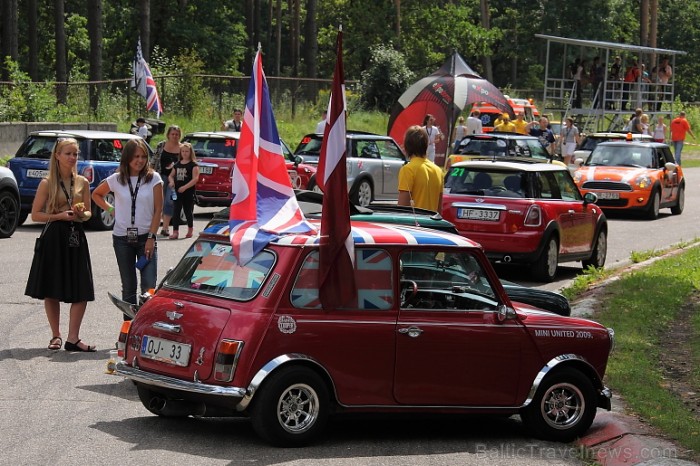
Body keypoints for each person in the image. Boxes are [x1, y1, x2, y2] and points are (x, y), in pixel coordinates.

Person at [25, 138, 95, 352]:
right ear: (57, 155)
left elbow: (89, 213)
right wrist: (59, 216)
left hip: (76, 235)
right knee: (52, 288)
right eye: (68, 153)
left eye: (75, 154)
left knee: (82, 289)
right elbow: (36, 215)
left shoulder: (82, 181)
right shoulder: (47, 182)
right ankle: (56, 335)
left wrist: (82, 213)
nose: (73, 158)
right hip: (55, 235)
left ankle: (73, 339)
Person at [92, 139, 163, 320]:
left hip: (145, 238)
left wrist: (151, 237)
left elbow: (158, 210)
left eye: (143, 157)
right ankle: (128, 329)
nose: (139, 160)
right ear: (127, 158)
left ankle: (145, 326)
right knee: (129, 286)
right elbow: (96, 194)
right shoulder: (116, 179)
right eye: (135, 157)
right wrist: (111, 210)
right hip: (122, 239)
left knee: (148, 286)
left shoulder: (154, 178)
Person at [397, 125, 443, 212]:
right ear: (426, 145)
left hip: (414, 223)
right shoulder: (438, 171)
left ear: (407, 146)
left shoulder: (408, 169)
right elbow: (439, 209)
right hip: (432, 224)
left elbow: (402, 208)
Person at [150, 124, 181, 237]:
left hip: (175, 180)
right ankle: (153, 226)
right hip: (160, 177)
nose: (174, 136)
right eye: (172, 134)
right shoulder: (161, 145)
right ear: (168, 135)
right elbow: (153, 161)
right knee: (158, 202)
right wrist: (149, 174)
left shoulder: (182, 148)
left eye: (177, 134)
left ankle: (165, 227)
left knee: (169, 201)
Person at [169, 142, 200, 239]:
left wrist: (185, 187)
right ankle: (175, 232)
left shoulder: (193, 164)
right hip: (177, 191)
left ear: (190, 152)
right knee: (176, 210)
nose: (185, 153)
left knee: (187, 210)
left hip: (188, 191)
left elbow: (195, 179)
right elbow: (171, 175)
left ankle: (190, 229)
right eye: (183, 151)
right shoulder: (177, 164)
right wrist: (171, 182)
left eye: (187, 151)